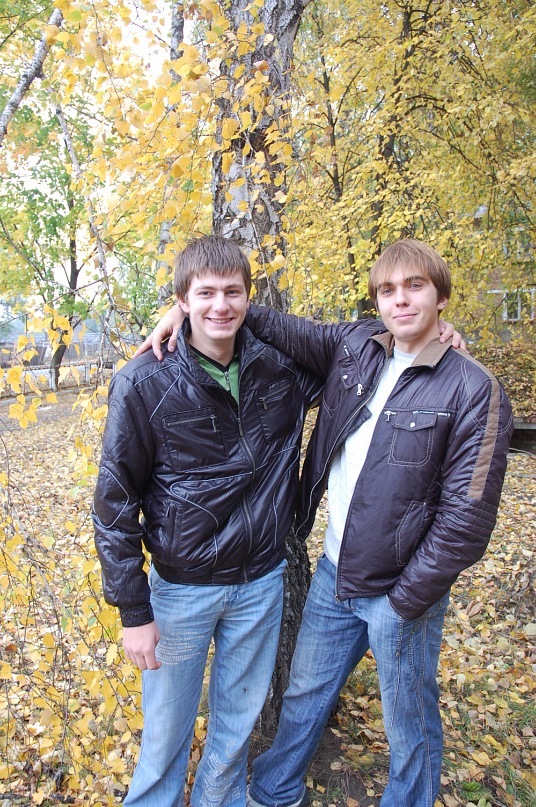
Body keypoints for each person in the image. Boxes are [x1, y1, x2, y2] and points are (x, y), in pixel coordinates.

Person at [142, 239, 512, 807]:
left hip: (403, 589)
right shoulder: (357, 347)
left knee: (408, 722)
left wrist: (405, 600)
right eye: (388, 290)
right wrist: (181, 312)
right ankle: (274, 793)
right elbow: (265, 320)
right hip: (335, 574)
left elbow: (466, 521)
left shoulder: (473, 388)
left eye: (415, 287)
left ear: (441, 297)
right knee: (304, 696)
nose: (400, 300)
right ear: (377, 302)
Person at [92, 235, 324, 807]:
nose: (220, 305)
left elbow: (360, 345)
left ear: (250, 299)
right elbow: (115, 503)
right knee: (164, 739)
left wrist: (435, 329)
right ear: (181, 300)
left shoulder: (281, 370)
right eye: (205, 294)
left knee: (234, 732)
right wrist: (134, 611)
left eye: (233, 293)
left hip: (261, 583)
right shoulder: (143, 382)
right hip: (181, 591)